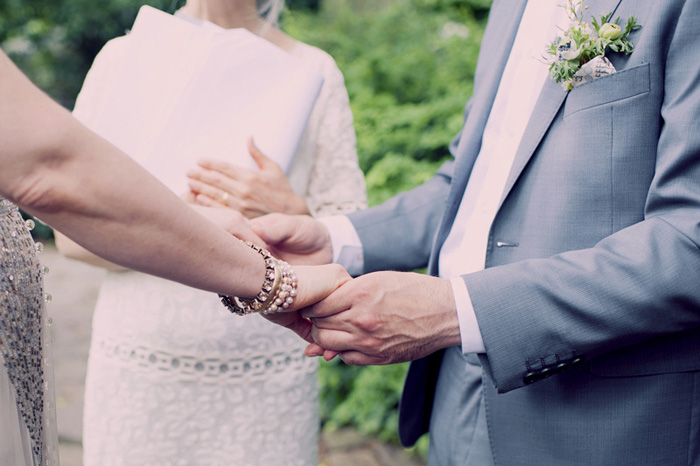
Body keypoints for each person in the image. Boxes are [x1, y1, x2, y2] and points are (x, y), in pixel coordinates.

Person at [250, 0, 700, 464]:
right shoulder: (509, 8)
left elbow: (689, 243)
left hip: (598, 419)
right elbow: (471, 184)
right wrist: (335, 238)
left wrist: (455, 311)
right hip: (450, 393)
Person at [0, 46, 350, 465]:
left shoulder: (317, 68)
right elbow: (53, 181)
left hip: (264, 373)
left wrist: (287, 212)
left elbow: (347, 227)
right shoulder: (122, 58)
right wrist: (271, 281)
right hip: (139, 363)